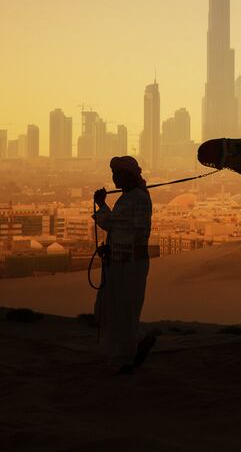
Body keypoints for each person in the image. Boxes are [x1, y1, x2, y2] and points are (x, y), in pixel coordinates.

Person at [92, 155, 156, 374]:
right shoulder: (127, 198)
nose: (114, 178)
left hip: (129, 266)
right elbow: (116, 228)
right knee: (107, 310)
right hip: (119, 264)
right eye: (113, 173)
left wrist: (101, 205)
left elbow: (132, 232)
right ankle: (136, 343)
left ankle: (125, 359)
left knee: (123, 312)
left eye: (118, 173)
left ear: (129, 175)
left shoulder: (137, 199)